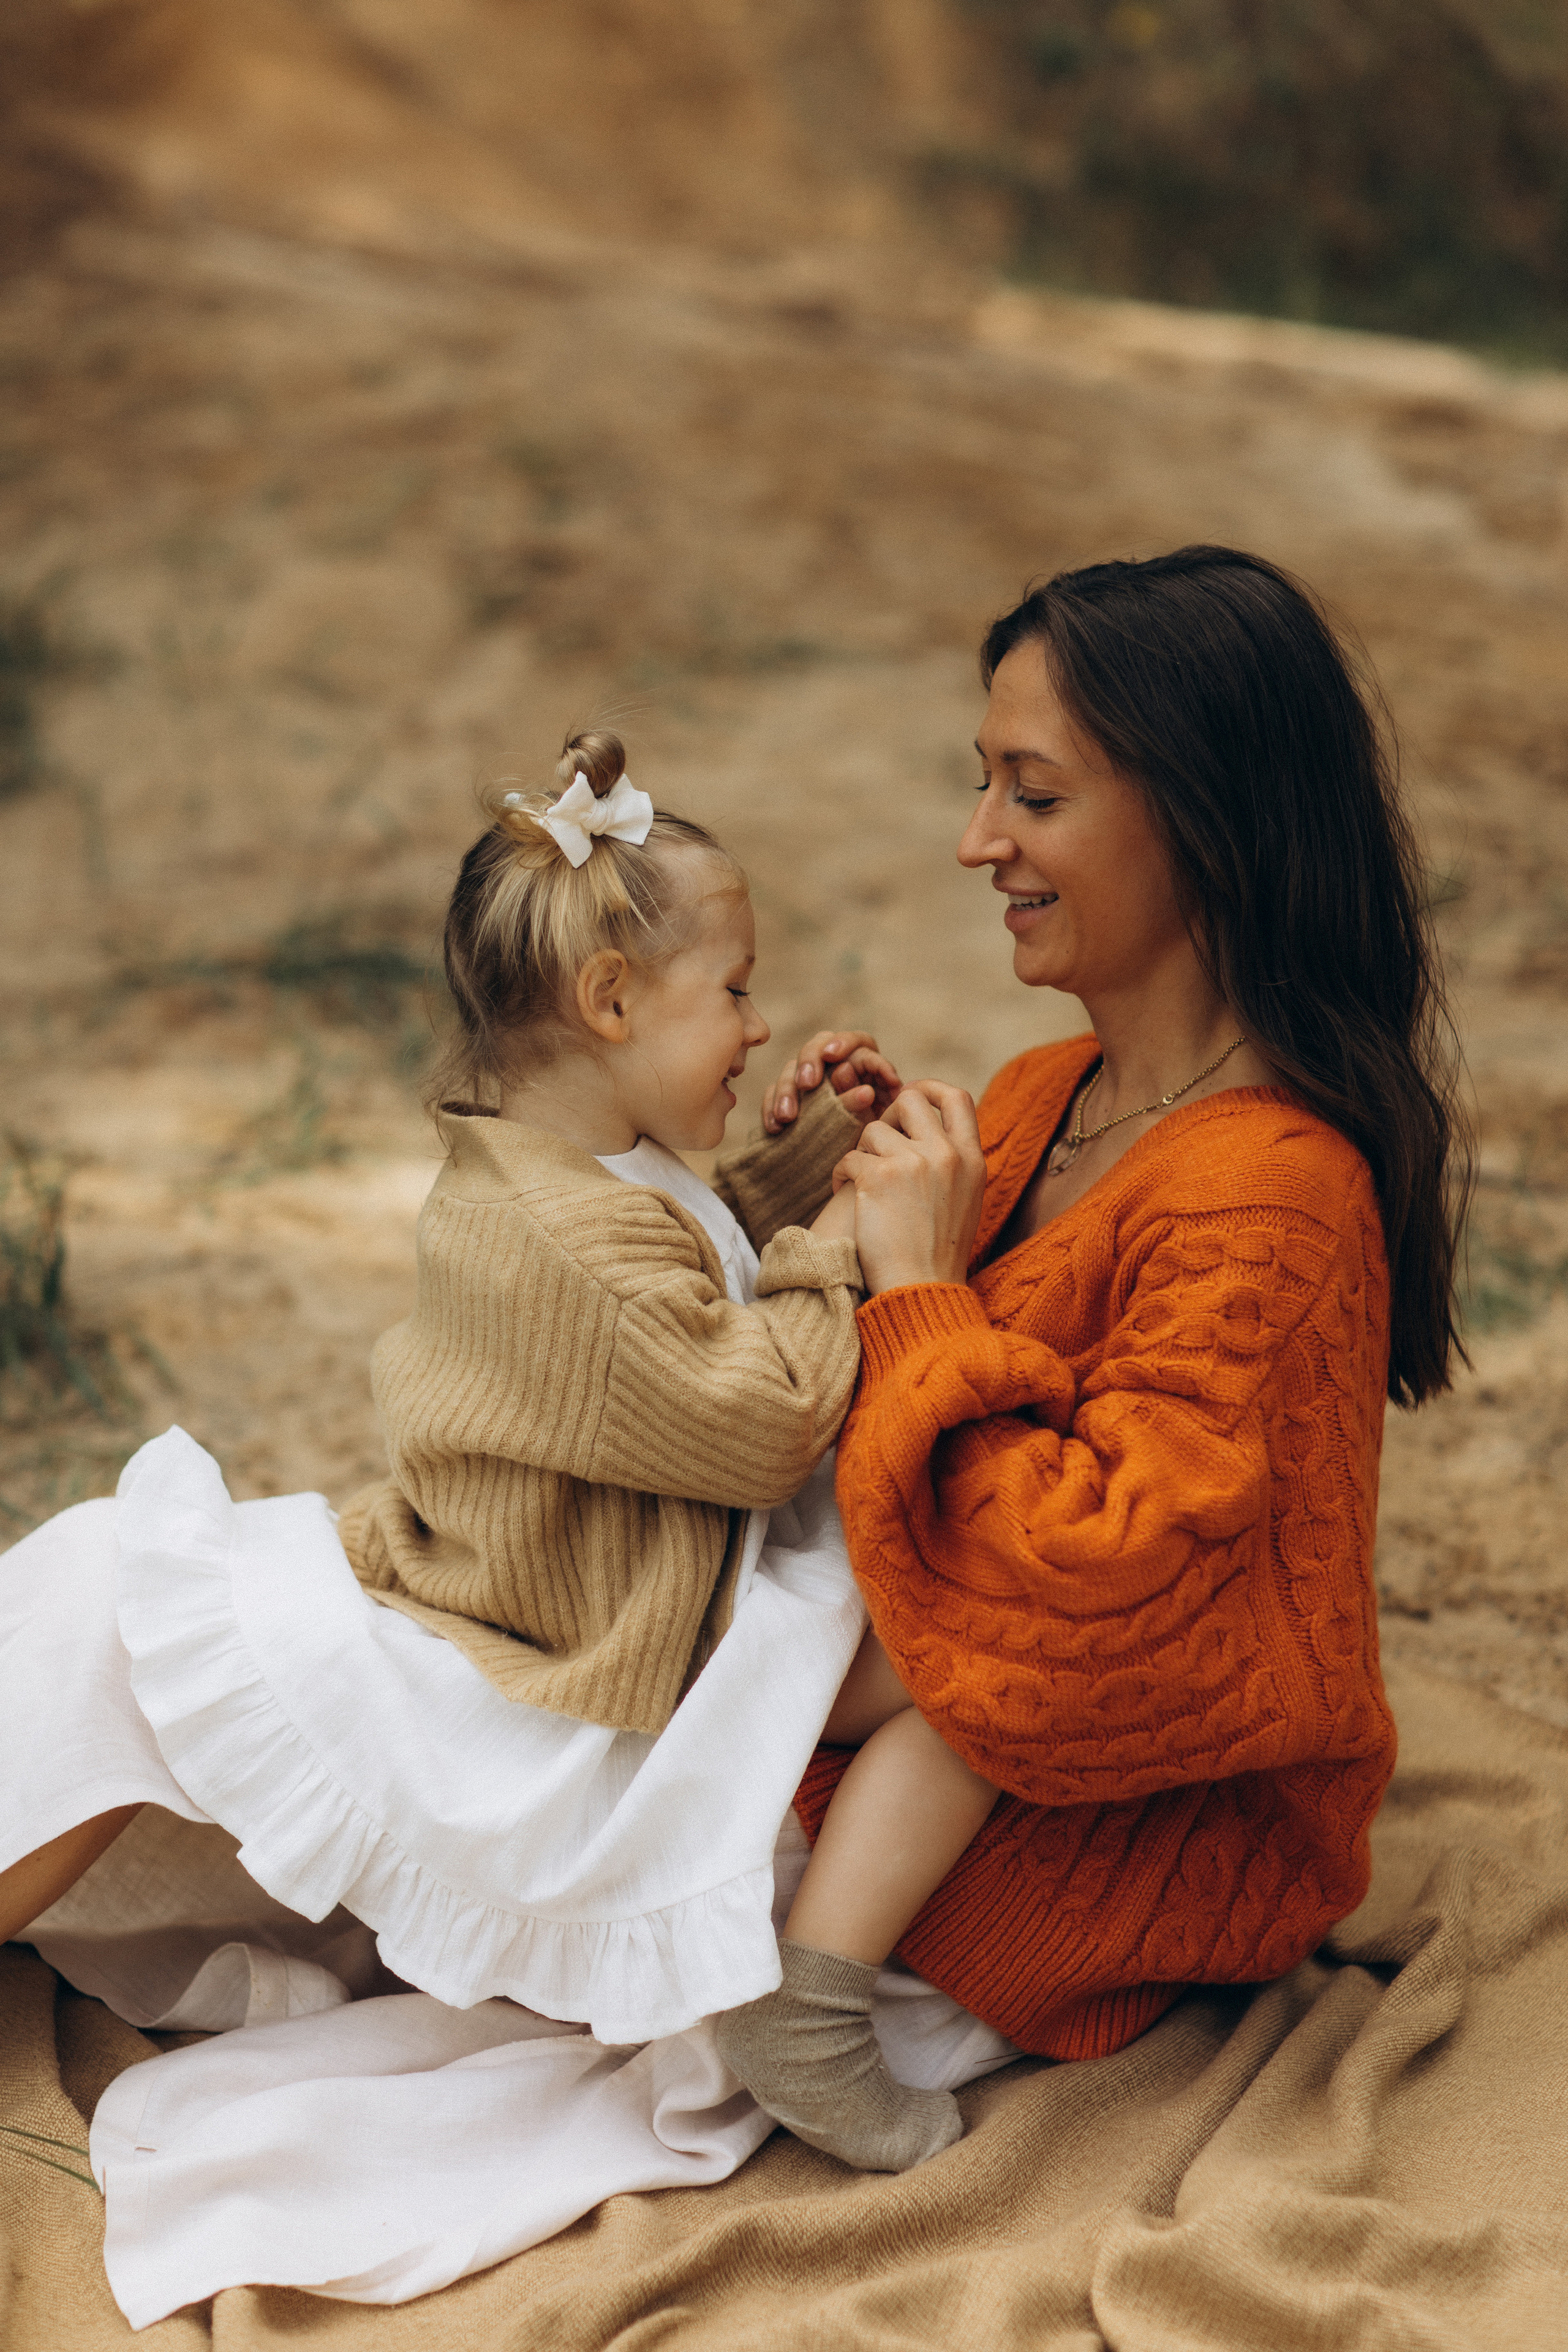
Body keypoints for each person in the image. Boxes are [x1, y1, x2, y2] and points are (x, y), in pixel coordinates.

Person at [0, 730, 998, 2175]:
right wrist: (852, 1253)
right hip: (584, 1634)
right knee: (956, 1663)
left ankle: (815, 1991)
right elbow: (753, 1414)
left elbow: (684, 1259)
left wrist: (802, 1164)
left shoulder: (573, 1158)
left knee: (968, 1657)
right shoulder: (553, 1244)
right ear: (609, 1002)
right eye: (732, 991)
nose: (760, 1022)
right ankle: (810, 2003)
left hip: (587, 1569)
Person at [761, 543, 1469, 2059]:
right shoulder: (1044, 1092)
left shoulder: (1272, 1191)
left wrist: (924, 1290)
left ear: (1202, 817)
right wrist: (815, 1194)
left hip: (1060, 1856)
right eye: (981, 786)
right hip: (889, 1701)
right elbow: (842, 1417)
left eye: (1032, 794)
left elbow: (1084, 1589)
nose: (974, 843)